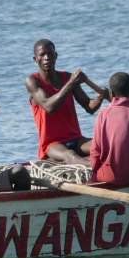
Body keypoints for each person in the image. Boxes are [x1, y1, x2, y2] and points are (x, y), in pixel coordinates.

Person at [25, 38, 108, 166]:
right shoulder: (32, 81)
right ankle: (105, 166)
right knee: (71, 156)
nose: (47, 57)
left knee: (103, 145)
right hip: (52, 145)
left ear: (56, 56)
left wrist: (101, 97)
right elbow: (49, 106)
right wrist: (71, 83)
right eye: (42, 55)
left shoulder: (67, 77)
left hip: (76, 139)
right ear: (35, 59)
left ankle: (118, 162)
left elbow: (89, 107)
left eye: (50, 54)